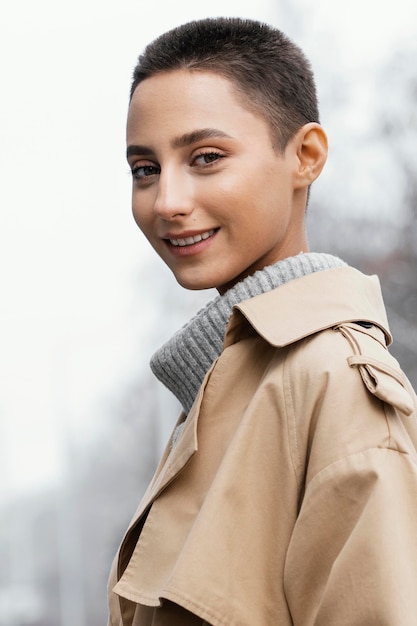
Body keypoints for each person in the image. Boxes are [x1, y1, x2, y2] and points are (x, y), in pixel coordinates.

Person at [107, 17, 417, 626]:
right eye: (145, 169)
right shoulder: (231, 384)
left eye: (206, 157)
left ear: (305, 157)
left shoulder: (332, 382)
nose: (166, 201)